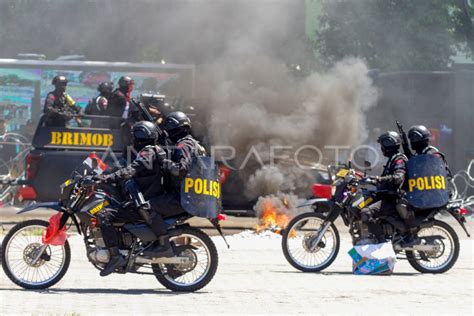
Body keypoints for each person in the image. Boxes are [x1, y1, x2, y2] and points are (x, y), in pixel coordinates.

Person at [93, 120, 168, 276]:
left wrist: (106, 179)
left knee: (103, 215)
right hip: (142, 199)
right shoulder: (152, 151)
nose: (132, 140)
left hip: (143, 202)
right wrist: (105, 174)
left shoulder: (148, 153)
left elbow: (130, 170)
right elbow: (125, 168)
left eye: (134, 136)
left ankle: (115, 256)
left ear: (140, 137)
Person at [361, 131, 408, 243]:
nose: (381, 148)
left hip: (393, 199)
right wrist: (371, 180)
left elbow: (398, 177)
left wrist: (379, 179)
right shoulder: (392, 160)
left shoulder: (399, 160)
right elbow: (386, 181)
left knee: (366, 213)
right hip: (387, 196)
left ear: (388, 144)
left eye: (382, 145)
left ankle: (382, 243)